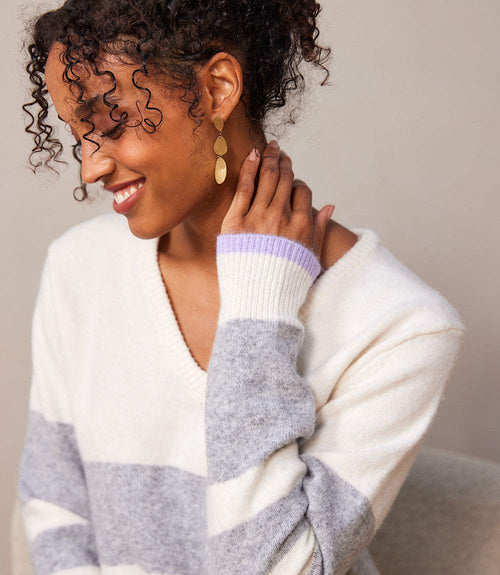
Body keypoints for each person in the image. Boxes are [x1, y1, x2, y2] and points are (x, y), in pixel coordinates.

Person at [16, 1, 466, 574]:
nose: (90, 168)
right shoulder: (81, 268)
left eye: (108, 122)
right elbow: (54, 511)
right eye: (78, 134)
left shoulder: (402, 326)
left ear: (217, 89)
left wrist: (259, 306)